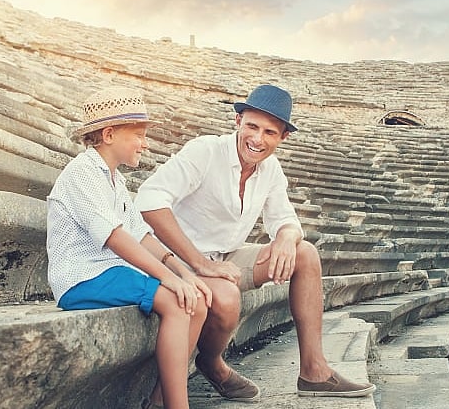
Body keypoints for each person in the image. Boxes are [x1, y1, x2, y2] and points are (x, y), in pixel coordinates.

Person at [134, 84, 376, 401]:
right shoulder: (205, 151)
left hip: (225, 257)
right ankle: (211, 363)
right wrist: (200, 263)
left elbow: (286, 219)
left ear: (282, 138)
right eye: (252, 126)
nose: (257, 139)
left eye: (269, 132)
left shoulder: (270, 169)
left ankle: (315, 372)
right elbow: (149, 200)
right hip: (174, 257)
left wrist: (287, 239)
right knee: (227, 297)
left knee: (305, 254)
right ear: (238, 122)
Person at [46, 87, 211, 409]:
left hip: (109, 272)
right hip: (83, 277)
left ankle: (160, 399)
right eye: (138, 134)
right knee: (178, 303)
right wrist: (169, 279)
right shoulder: (81, 173)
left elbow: (142, 235)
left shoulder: (115, 179)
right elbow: (115, 237)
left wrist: (183, 272)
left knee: (198, 302)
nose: (145, 143)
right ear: (109, 134)